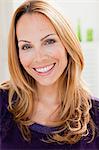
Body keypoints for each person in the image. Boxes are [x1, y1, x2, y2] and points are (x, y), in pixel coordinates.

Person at [0, 0, 99, 149]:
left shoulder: (96, 116)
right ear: (17, 54)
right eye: (26, 46)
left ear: (67, 44)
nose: (39, 58)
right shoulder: (2, 105)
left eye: (49, 41)